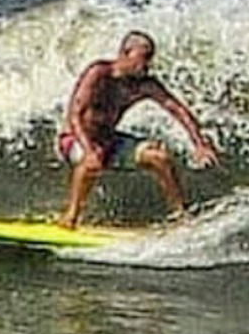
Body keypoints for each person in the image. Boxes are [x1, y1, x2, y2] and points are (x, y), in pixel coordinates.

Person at [55, 31, 219, 229]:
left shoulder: (144, 85)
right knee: (94, 159)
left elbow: (178, 110)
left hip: (109, 140)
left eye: (151, 58)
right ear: (126, 52)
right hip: (74, 139)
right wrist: (88, 149)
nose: (148, 64)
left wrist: (200, 144)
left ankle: (181, 216)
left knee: (159, 157)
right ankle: (71, 217)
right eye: (145, 57)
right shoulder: (99, 73)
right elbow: (75, 115)